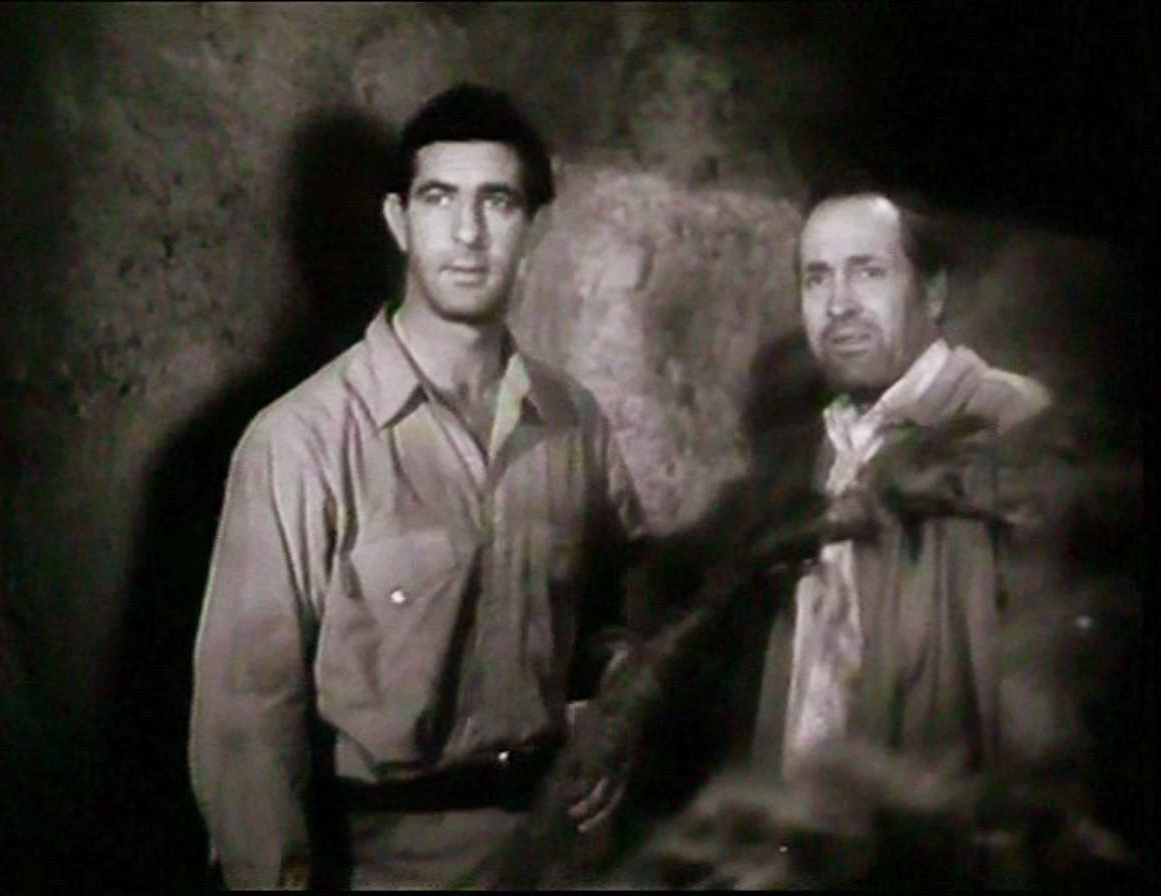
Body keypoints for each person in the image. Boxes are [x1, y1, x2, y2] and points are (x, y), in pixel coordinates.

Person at [188, 83, 644, 890]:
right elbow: (245, 724)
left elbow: (615, 620)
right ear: (399, 222)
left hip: (556, 862)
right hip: (384, 867)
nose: (467, 234)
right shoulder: (302, 441)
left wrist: (617, 712)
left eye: (497, 202)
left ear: (533, 229)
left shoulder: (576, 425)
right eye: (440, 199)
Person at [744, 184, 1054, 777]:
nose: (838, 304)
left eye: (868, 272)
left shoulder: (1009, 426)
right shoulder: (823, 450)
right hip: (809, 819)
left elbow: (1049, 705)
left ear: (932, 292)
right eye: (817, 278)